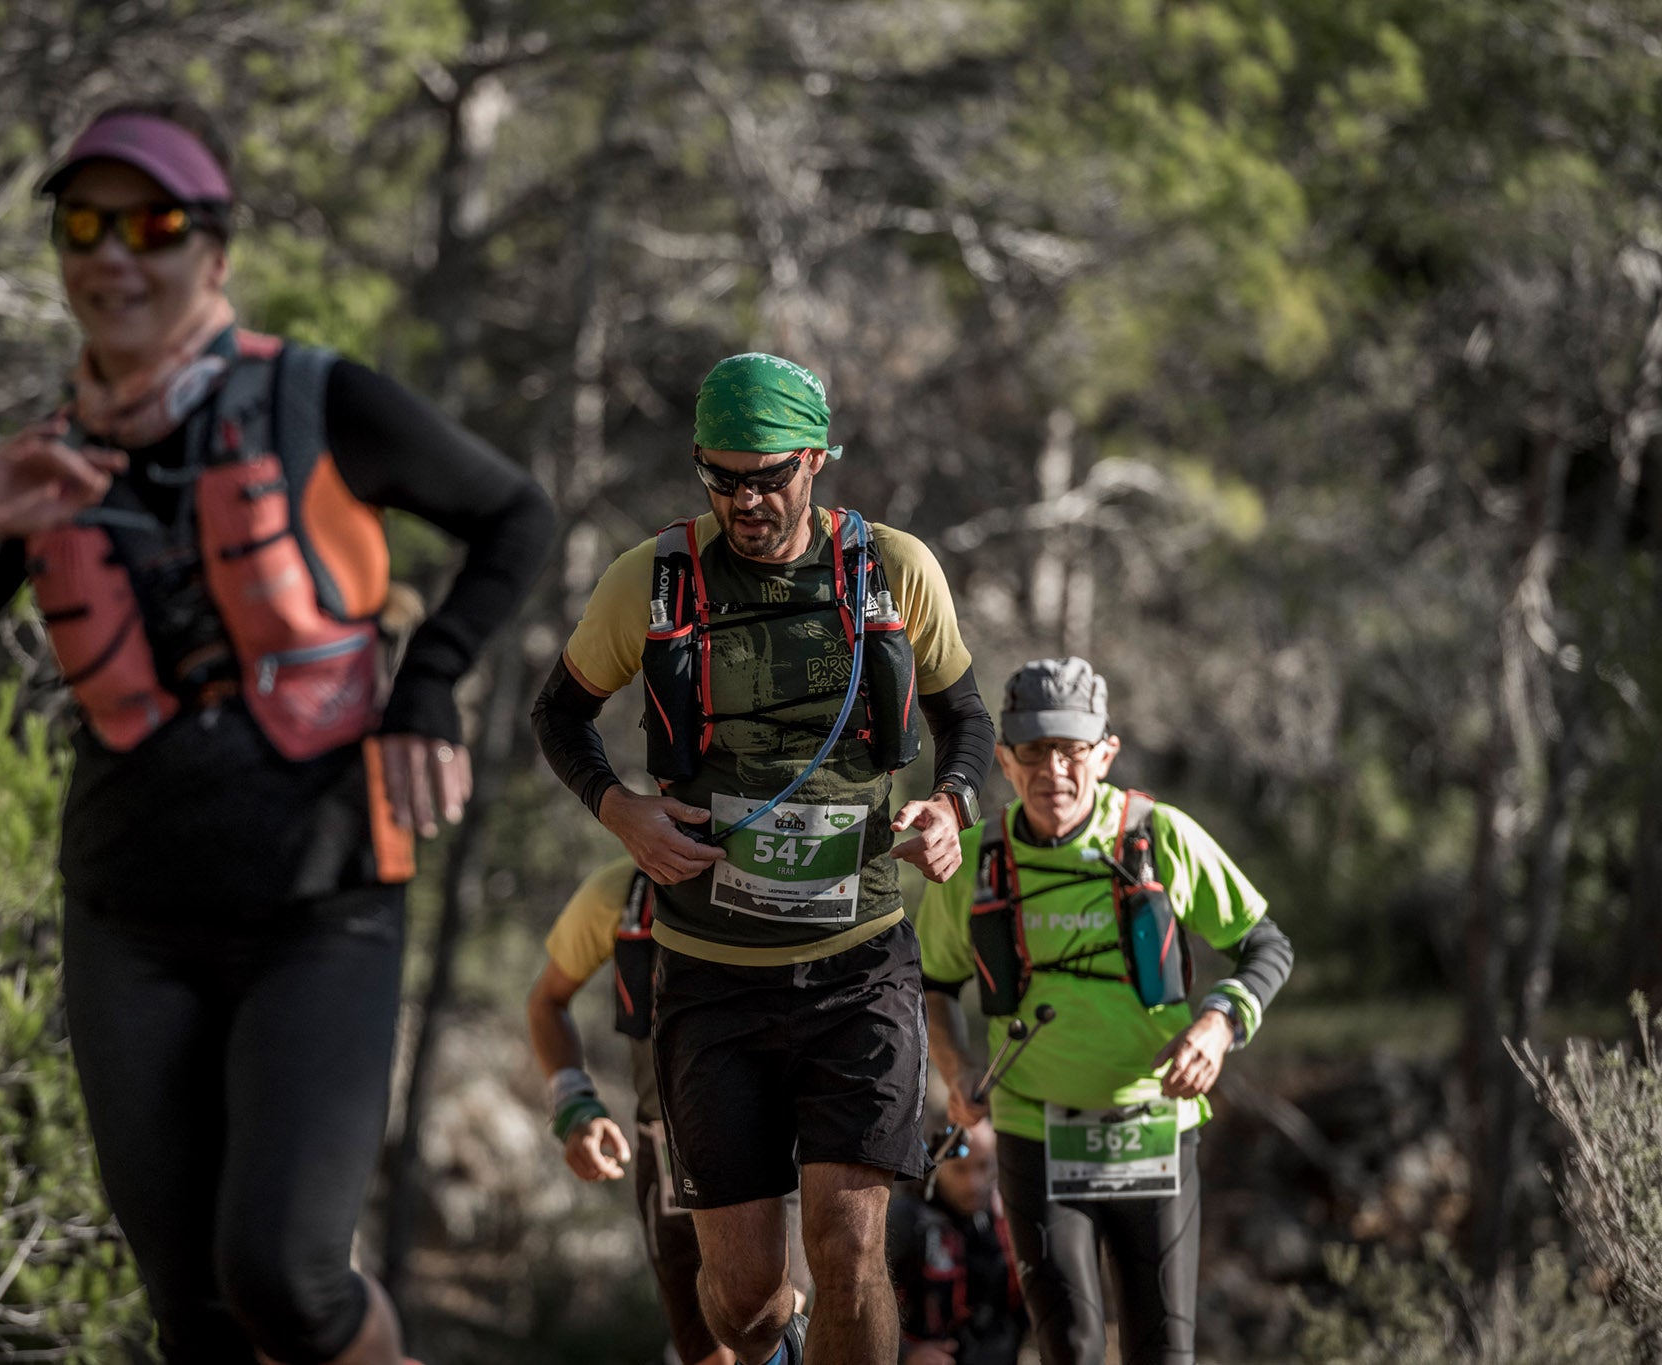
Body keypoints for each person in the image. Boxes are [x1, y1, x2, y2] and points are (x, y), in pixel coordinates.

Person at [0, 101, 554, 1365]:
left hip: (321, 907)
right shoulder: (43, 463)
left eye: (152, 225)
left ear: (211, 253)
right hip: (130, 920)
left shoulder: (316, 401)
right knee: (196, 1320)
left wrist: (428, 683)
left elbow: (516, 518)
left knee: (283, 1276)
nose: (114, 255)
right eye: (84, 226)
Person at [532, 352, 997, 1365]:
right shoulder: (651, 579)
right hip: (710, 974)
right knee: (742, 1302)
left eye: (768, 474)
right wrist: (618, 812)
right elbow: (558, 715)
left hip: (860, 963)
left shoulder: (893, 570)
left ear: (817, 460)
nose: (745, 499)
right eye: (720, 476)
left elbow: (964, 716)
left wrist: (951, 806)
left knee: (850, 1246)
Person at [912, 657, 1295, 1365]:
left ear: (1105, 753)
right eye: (1033, 750)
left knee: (1163, 1351)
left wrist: (1218, 1023)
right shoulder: (974, 861)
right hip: (1036, 1130)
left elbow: (1265, 945)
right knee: (1073, 1348)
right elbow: (932, 979)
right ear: (1004, 757)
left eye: (1072, 750)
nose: (1053, 769)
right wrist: (956, 1062)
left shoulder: (1161, 837)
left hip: (1153, 1128)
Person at [526, 858, 810, 1365]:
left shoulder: (790, 873)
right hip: (666, 1153)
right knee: (706, 1354)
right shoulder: (620, 892)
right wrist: (575, 1106)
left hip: (772, 1145)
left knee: (771, 1335)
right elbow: (547, 1000)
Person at [886, 1121, 1023, 1365]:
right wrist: (905, 1354)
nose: (973, 1183)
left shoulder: (1009, 1221)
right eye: (960, 1169)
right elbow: (854, 1302)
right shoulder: (902, 1220)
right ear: (937, 1164)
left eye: (983, 1166)